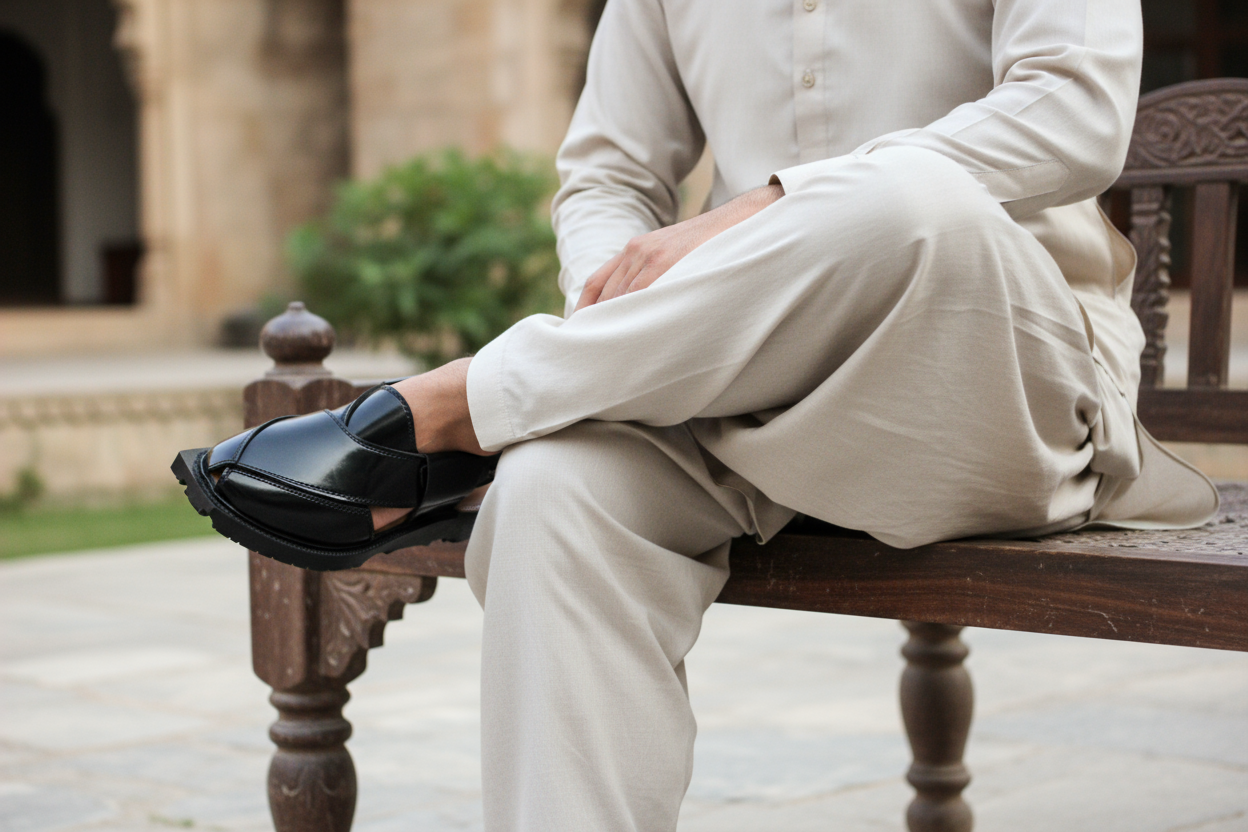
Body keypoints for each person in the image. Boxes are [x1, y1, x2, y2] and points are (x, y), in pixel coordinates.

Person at [175, 0, 1220, 828]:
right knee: (550, 495)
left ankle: (455, 406)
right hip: (751, 406)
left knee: (913, 200)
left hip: (999, 387)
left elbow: (1073, 111)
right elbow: (607, 177)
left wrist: (765, 206)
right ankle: (492, 420)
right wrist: (617, 292)